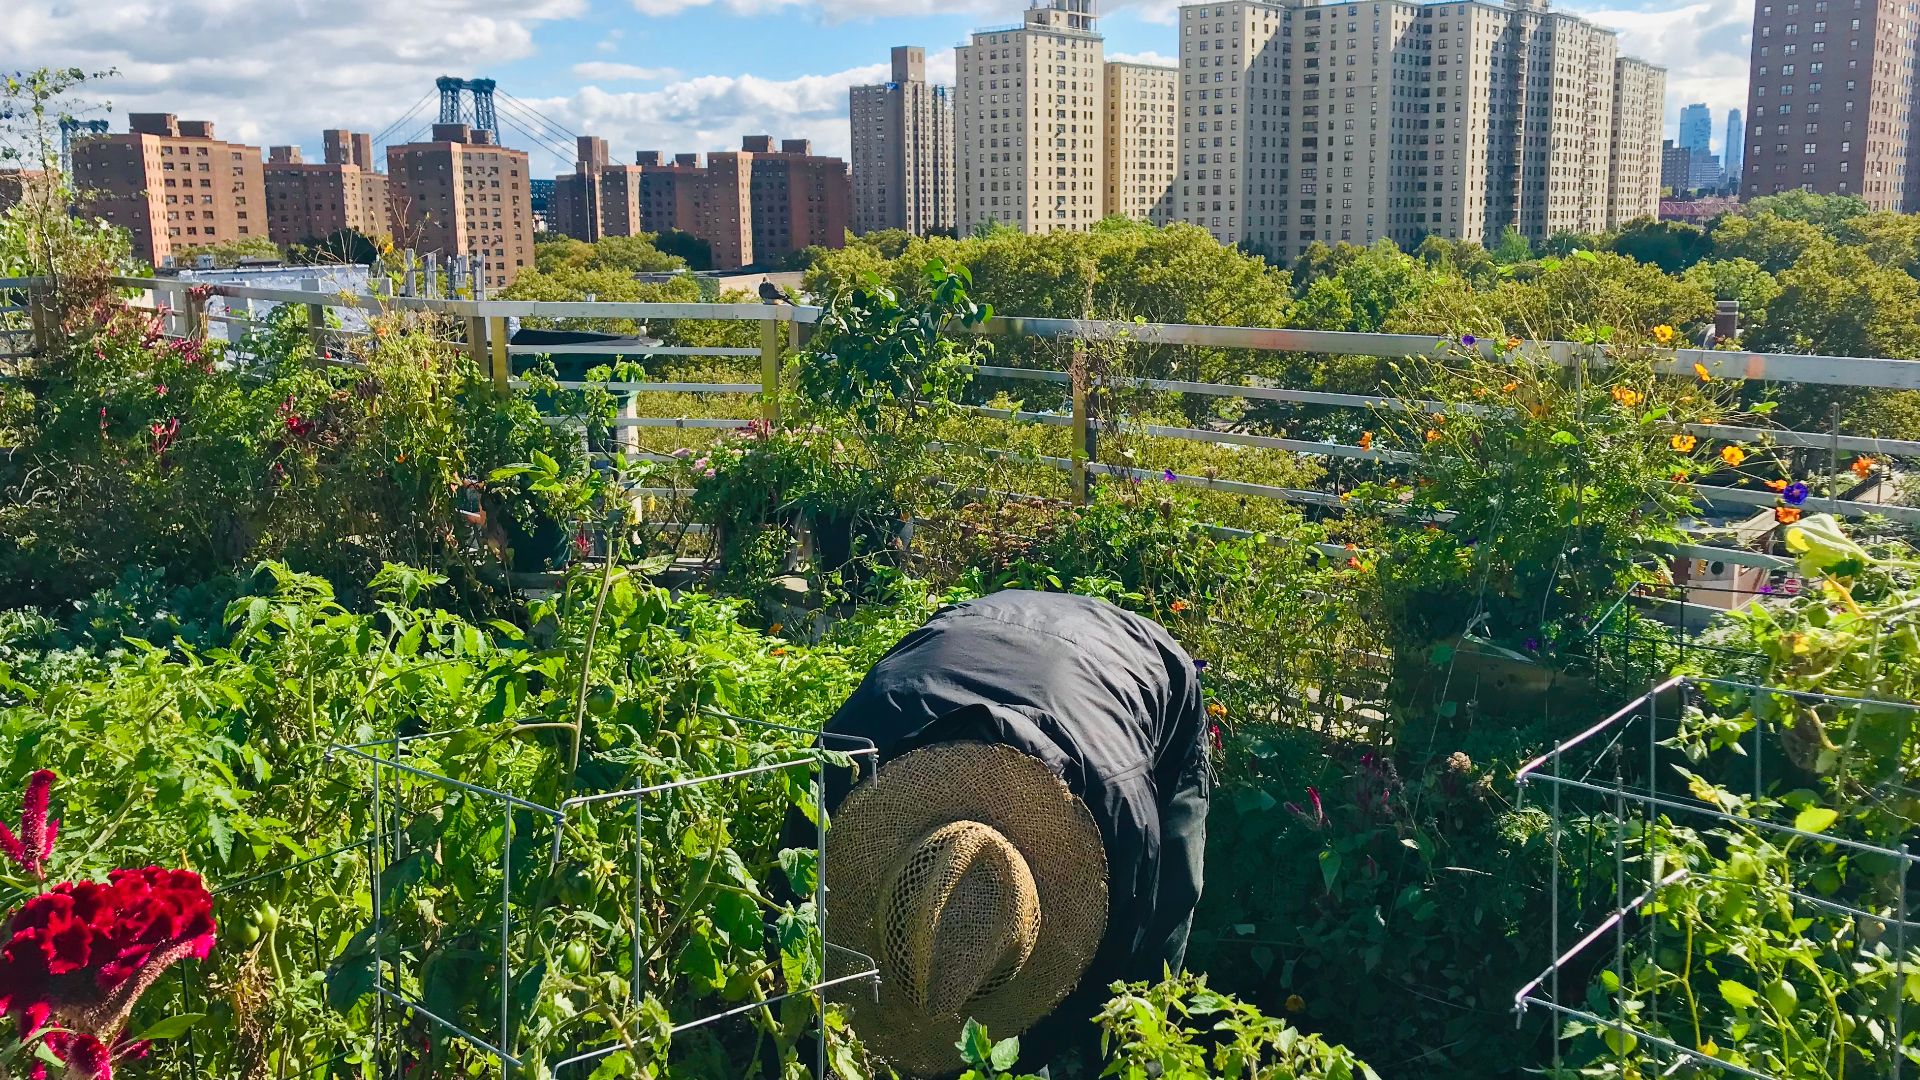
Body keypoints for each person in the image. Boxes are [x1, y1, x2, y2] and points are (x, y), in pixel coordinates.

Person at [811, 590, 1212, 1077]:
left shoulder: (1119, 805)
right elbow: (796, 901)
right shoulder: (849, 759)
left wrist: (1054, 1038)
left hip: (1140, 662)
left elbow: (1130, 936)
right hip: (975, 626)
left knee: (1173, 897)